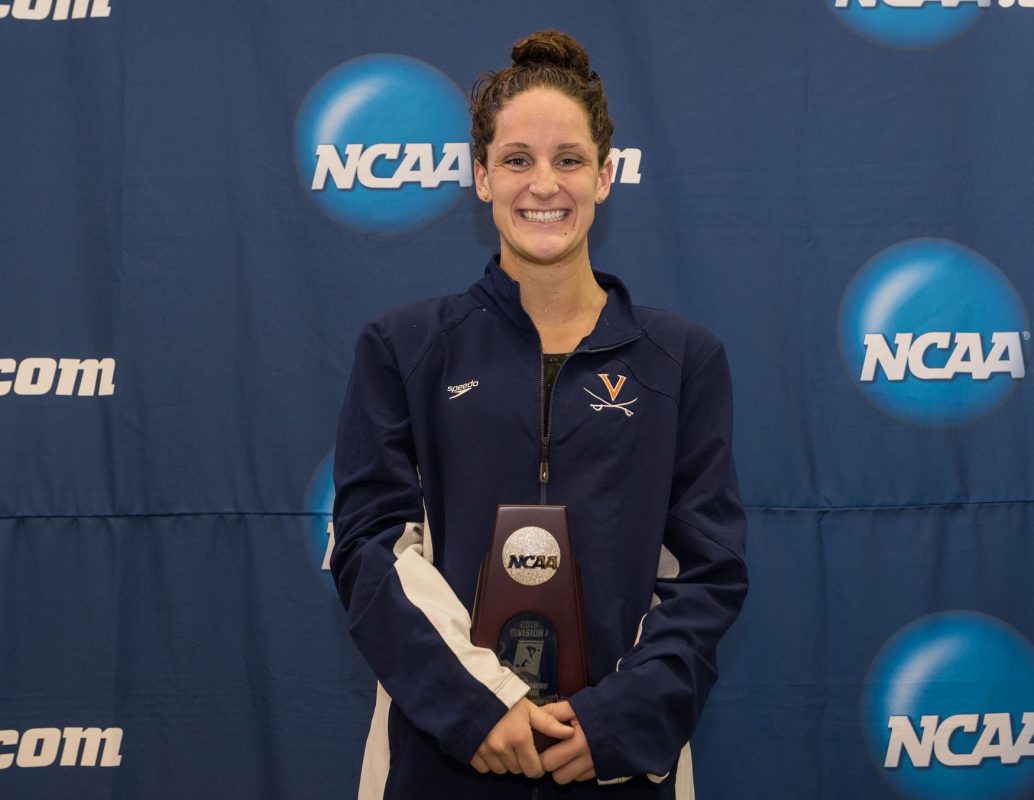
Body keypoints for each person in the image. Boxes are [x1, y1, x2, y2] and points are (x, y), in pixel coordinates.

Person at [331, 30, 748, 799]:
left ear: (607, 175)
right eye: (517, 159)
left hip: (615, 764)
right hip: (448, 756)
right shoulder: (403, 348)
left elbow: (706, 575)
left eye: (569, 160)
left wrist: (614, 723)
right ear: (481, 177)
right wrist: (483, 708)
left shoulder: (681, 361)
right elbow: (370, 551)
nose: (543, 185)